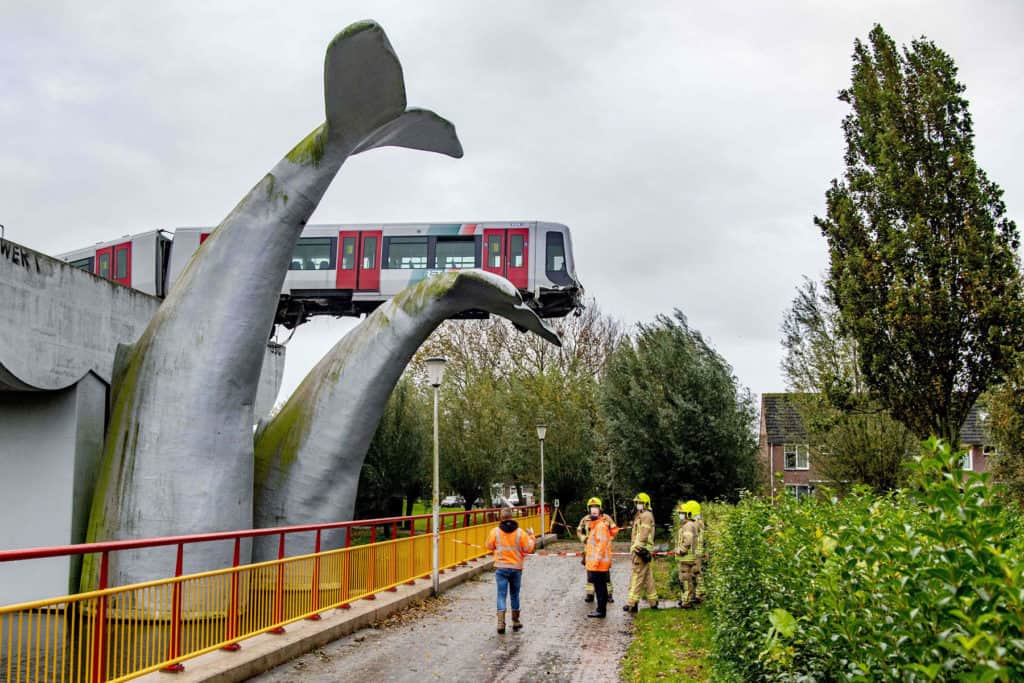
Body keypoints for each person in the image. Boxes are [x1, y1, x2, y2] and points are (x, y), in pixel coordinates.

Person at [485, 507, 536, 634]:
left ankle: (500, 623)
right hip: (516, 569)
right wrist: (532, 536)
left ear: (500, 518)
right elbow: (528, 549)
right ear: (512, 517)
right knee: (514, 594)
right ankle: (516, 621)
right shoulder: (520, 533)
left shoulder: (495, 532)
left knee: (501, 595)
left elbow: (488, 546)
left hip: (501, 568)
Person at [581, 496, 620, 618]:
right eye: (592, 509)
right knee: (599, 587)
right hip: (597, 563)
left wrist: (596, 562)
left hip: (599, 564)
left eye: (595, 509)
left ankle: (601, 610)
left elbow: (601, 545)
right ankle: (600, 609)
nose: (593, 512)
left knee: (600, 587)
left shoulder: (601, 526)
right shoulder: (596, 525)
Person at [623, 492, 658, 612]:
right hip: (643, 549)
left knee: (637, 576)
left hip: (640, 550)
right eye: (637, 503)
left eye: (640, 503)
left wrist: (635, 547)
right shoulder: (643, 515)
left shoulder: (646, 515)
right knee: (647, 577)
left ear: (646, 504)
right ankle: (653, 602)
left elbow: (643, 535)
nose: (638, 505)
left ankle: (632, 603)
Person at [576, 500, 615, 604]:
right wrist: (584, 539)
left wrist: (608, 539)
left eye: (595, 507)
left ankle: (609, 595)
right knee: (590, 574)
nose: (593, 509)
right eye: (591, 507)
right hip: (589, 551)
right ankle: (590, 594)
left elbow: (614, 530)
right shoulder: (585, 519)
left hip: (602, 551)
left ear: (600, 508)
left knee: (605, 575)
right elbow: (579, 531)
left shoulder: (606, 519)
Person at [675, 501, 702, 608]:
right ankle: (689, 599)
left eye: (682, 513)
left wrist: (681, 550)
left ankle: (686, 601)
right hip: (690, 557)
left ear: (687, 514)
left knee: (685, 579)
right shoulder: (691, 524)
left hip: (686, 557)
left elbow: (688, 540)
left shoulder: (688, 525)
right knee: (690, 578)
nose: (680, 515)